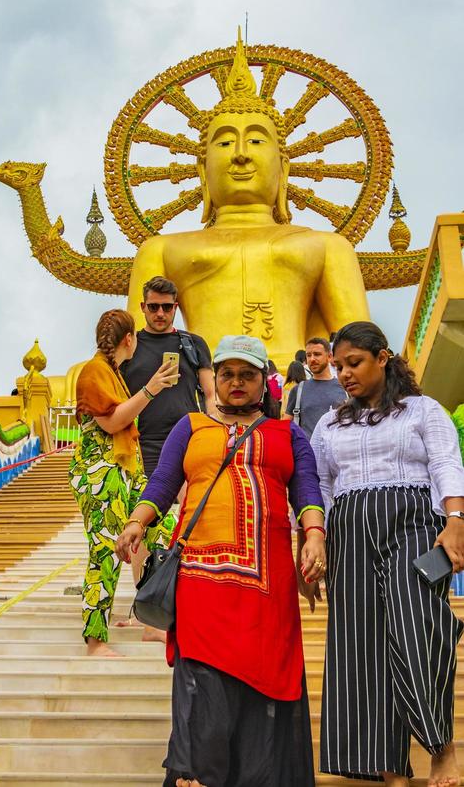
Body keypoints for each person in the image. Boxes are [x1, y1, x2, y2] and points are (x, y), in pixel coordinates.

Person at [116, 334, 326, 787]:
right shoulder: (191, 427)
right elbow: (163, 482)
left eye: (246, 375)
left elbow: (307, 490)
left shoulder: (287, 433)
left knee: (265, 693)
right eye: (227, 373)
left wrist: (314, 535)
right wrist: (137, 521)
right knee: (202, 690)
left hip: (266, 593)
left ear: (262, 382)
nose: (235, 383)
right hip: (200, 586)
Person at [126, 29, 370, 368]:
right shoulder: (163, 250)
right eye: (224, 143)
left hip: (293, 383)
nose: (240, 155)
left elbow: (360, 351)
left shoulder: (327, 247)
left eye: (256, 141)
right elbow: (135, 352)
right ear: (202, 169)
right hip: (204, 384)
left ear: (283, 167)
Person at [313, 321, 464, 787]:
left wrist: (456, 521)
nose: (344, 374)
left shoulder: (422, 410)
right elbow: (319, 484)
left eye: (353, 363)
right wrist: (314, 539)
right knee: (362, 646)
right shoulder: (329, 422)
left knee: (417, 625)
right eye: (338, 366)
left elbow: (444, 461)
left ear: (382, 358)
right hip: (349, 532)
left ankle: (442, 746)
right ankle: (388, 765)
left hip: (414, 523)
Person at [69, 309, 178, 657]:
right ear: (129, 339)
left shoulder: (112, 372)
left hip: (126, 468)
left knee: (162, 529)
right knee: (106, 549)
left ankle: (152, 620)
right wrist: (151, 389)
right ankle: (95, 640)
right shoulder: (94, 371)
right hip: (101, 471)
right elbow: (113, 423)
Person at [121, 276, 215, 478]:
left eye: (167, 307)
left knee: (189, 507)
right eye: (154, 307)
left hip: (189, 439)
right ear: (143, 307)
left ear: (176, 307)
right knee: (147, 506)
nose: (160, 313)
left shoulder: (194, 344)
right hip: (142, 443)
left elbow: (210, 394)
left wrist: (214, 433)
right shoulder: (129, 346)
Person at [284, 337, 347, 438]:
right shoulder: (298, 390)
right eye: (308, 355)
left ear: (329, 356)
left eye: (317, 354)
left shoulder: (345, 388)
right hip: (307, 452)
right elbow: (285, 425)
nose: (312, 359)